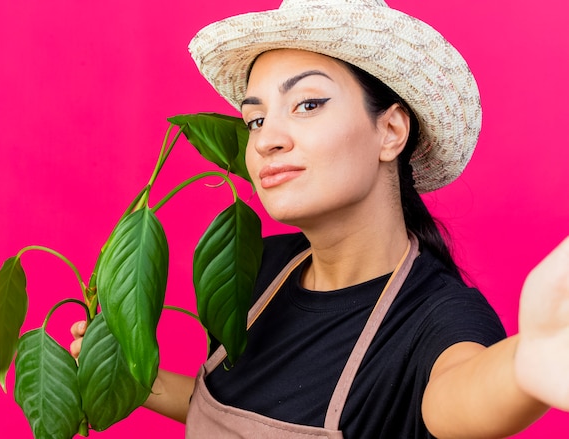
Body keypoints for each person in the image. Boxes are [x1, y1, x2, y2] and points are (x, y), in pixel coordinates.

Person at [71, 0, 569, 437]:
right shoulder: (258, 268)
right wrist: (131, 380)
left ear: (391, 130)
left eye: (307, 104)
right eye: (256, 119)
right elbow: (236, 408)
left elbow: (461, 394)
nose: (266, 140)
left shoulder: (439, 318)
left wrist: (526, 365)